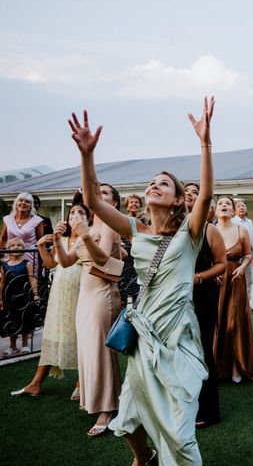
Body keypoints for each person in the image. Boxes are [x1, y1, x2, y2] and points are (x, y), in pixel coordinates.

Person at [69, 98, 214, 465]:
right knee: (128, 421)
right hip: (143, 337)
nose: (154, 186)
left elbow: (207, 195)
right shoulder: (135, 229)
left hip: (176, 340)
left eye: (163, 183)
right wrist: (87, 156)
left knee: (180, 436)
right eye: (151, 182)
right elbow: (92, 200)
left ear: (179, 198)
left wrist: (205, 143)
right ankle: (145, 457)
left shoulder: (189, 234)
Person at [54, 183, 122, 436]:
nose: (99, 196)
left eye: (105, 194)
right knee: (88, 348)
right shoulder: (90, 227)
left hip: (103, 294)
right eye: (98, 192)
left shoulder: (110, 225)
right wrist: (57, 240)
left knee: (100, 351)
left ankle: (108, 407)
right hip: (85, 294)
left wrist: (82, 235)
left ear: (113, 204)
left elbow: (103, 257)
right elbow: (66, 261)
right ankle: (96, 398)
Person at [10, 202, 86, 397]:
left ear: (87, 219)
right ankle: (35, 384)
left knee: (79, 335)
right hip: (59, 292)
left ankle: (81, 382)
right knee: (53, 333)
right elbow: (51, 263)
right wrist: (41, 245)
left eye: (81, 213)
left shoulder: (89, 238)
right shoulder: (64, 238)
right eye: (72, 213)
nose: (75, 215)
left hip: (80, 290)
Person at [184, 182, 227, 428]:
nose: (190, 195)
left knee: (201, 349)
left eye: (195, 193)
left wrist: (199, 277)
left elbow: (222, 264)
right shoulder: (171, 228)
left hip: (202, 293)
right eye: (186, 192)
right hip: (176, 296)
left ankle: (208, 409)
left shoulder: (210, 230)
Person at [214, 195, 253, 384]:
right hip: (215, 282)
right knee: (218, 321)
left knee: (235, 322)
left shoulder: (242, 230)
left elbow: (248, 255)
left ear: (233, 211)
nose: (224, 206)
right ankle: (218, 368)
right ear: (216, 211)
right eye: (220, 204)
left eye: (228, 204)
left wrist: (242, 267)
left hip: (235, 278)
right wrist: (211, 272)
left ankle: (237, 366)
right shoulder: (210, 230)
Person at [1, 237, 40, 355]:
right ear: (8, 249)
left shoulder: (27, 263)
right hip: (9, 297)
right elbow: (2, 282)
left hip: (24, 296)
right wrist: (0, 298)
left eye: (19, 245)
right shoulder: (4, 265)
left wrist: (35, 294)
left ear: (23, 249)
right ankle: (12, 346)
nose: (16, 247)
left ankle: (25, 344)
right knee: (11, 320)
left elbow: (32, 279)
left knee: (25, 319)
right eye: (13, 245)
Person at [1, 192, 45, 267]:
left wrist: (45, 259)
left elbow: (41, 242)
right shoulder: (8, 219)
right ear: (16, 203)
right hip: (10, 256)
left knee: (29, 278)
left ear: (31, 206)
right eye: (21, 200)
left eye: (27, 202)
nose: (23, 203)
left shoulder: (37, 220)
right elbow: (3, 238)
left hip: (29, 257)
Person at [232, 198, 253, 300]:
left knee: (249, 280)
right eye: (239, 206)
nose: (241, 207)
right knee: (237, 280)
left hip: (248, 256)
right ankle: (238, 302)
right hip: (237, 257)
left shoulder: (249, 222)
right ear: (234, 210)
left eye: (243, 206)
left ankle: (248, 304)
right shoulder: (232, 221)